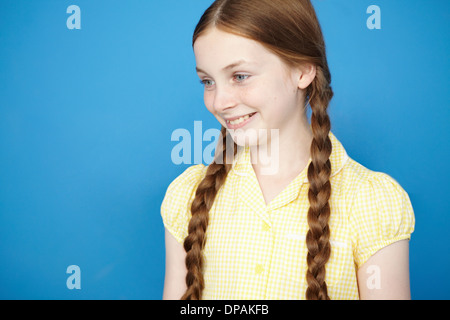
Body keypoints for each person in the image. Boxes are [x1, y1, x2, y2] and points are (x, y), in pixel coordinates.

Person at [161, 0, 415, 300]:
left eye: (240, 76)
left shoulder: (371, 202)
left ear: (303, 71)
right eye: (207, 81)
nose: (219, 102)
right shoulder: (188, 195)